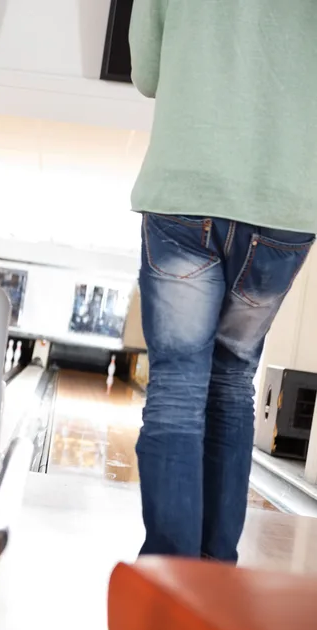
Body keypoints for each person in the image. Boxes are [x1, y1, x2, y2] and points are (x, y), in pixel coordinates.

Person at [129, 0, 316, 562]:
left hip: (187, 190)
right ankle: (215, 574)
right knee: (233, 381)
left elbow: (147, 75)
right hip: (288, 203)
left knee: (178, 387)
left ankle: (169, 575)